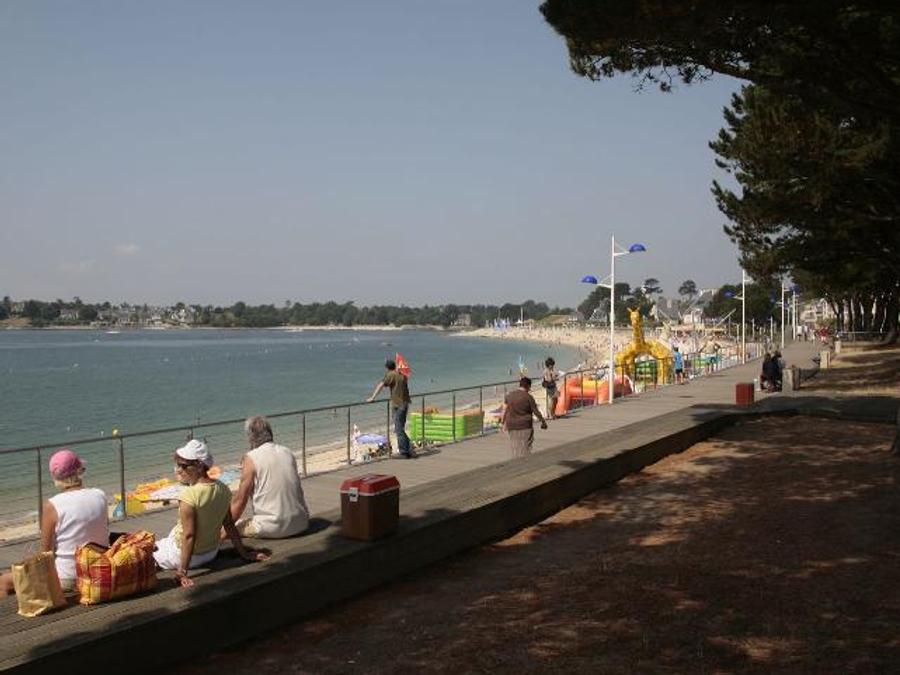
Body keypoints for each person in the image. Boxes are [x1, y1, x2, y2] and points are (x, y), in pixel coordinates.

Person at [153, 439, 267, 588]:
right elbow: (229, 525)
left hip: (182, 555)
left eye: (184, 466)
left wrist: (182, 572)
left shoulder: (188, 496)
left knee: (145, 551)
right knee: (159, 544)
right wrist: (243, 553)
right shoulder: (223, 489)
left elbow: (189, 536)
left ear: (199, 466)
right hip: (210, 552)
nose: (179, 470)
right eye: (178, 465)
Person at [1, 448, 108, 595]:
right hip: (99, 572)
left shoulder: (52, 505)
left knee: (4, 581)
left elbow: (46, 553)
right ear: (79, 470)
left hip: (68, 577)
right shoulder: (100, 495)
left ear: (55, 476)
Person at [230, 416, 310, 538]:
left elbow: (241, 500)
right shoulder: (287, 452)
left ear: (251, 437)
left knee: (233, 525)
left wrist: (223, 530)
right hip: (301, 522)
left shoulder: (251, 458)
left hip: (272, 527)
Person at [367, 359, 415, 459]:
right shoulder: (402, 374)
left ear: (387, 368)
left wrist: (373, 397)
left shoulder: (390, 375)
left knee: (398, 429)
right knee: (400, 428)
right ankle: (409, 449)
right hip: (405, 403)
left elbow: (381, 385)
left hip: (398, 404)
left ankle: (404, 452)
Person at [501, 376, 548, 458]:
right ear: (528, 386)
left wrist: (502, 423)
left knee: (515, 445)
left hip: (512, 425)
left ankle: (515, 461)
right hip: (525, 425)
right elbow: (536, 412)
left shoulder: (509, 395)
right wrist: (543, 422)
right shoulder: (528, 397)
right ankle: (525, 462)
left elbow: (504, 410)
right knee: (526, 446)